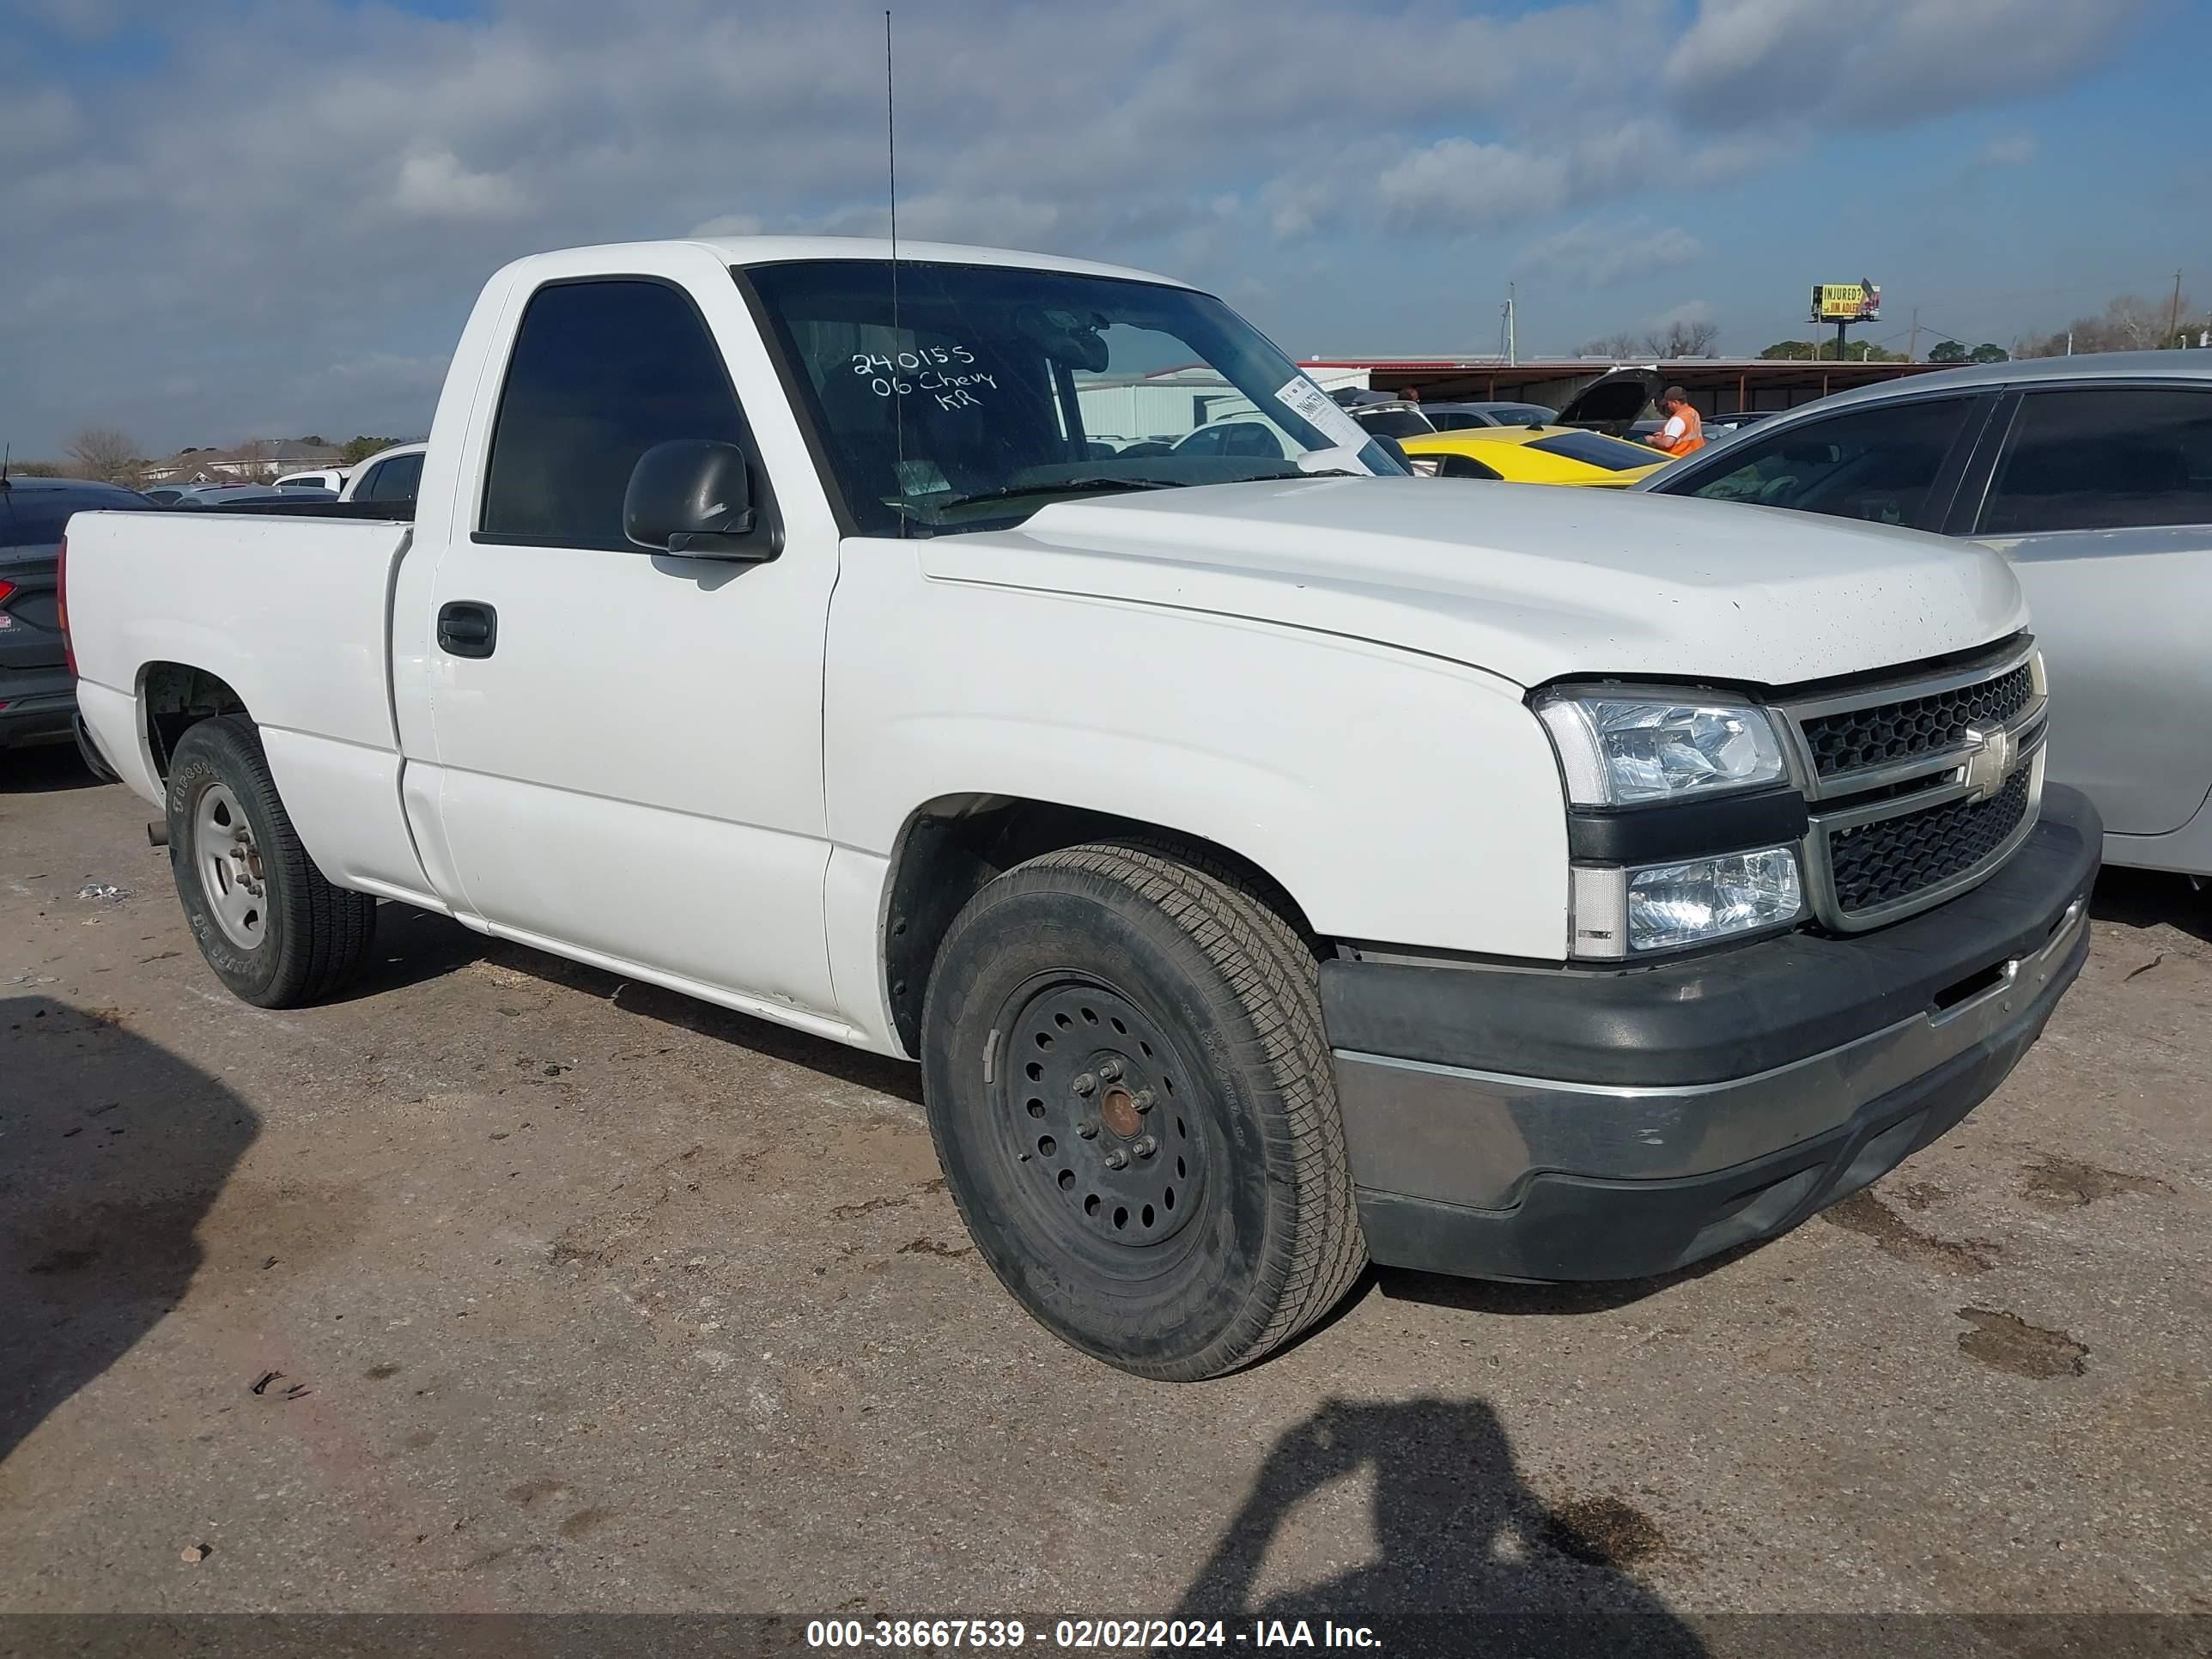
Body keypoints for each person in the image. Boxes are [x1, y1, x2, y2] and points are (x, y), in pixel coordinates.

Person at [1645, 385, 1705, 457]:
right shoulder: (1693, 413)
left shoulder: (1678, 419)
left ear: (1675, 402)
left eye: (1668, 403)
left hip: (1677, 460)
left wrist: (1652, 440)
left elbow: (1667, 443)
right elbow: (1686, 434)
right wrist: (1663, 436)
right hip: (1693, 457)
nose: (1668, 406)